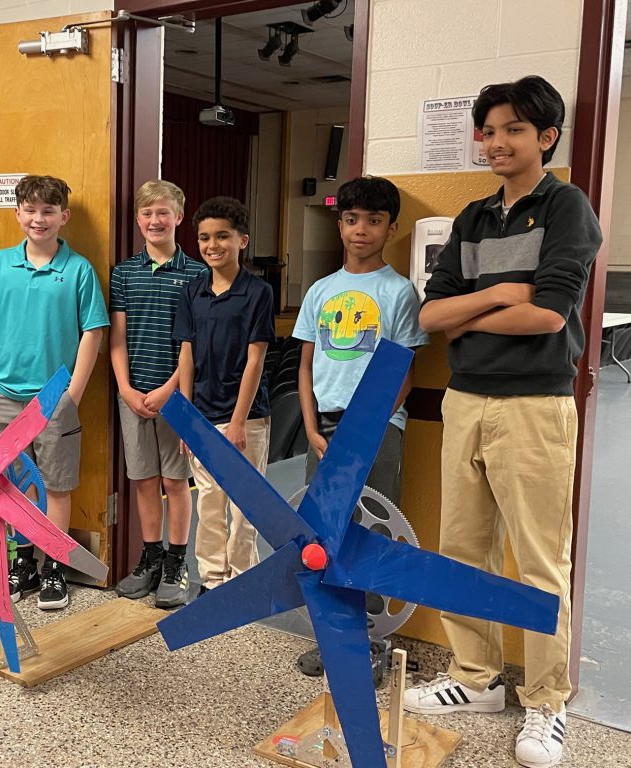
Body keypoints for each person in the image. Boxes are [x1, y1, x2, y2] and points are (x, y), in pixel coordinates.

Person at [402, 76, 602, 768]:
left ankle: (547, 701)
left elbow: (548, 312)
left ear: (545, 137)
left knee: (539, 561)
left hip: (533, 406)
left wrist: (478, 304)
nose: (496, 142)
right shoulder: (474, 218)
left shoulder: (567, 207)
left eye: (513, 129)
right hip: (467, 400)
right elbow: (430, 314)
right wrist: (503, 293)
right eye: (488, 130)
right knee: (462, 547)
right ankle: (474, 677)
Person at [292, 175, 429, 676]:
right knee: (325, 534)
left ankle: (370, 643)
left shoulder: (398, 293)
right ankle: (333, 634)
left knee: (371, 533)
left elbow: (405, 371)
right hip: (323, 430)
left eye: (374, 221)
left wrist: (368, 427)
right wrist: (309, 428)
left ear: (391, 228)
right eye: (352, 220)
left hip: (377, 429)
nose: (361, 230)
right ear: (340, 224)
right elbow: (305, 366)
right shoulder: (321, 291)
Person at [0, 175, 109, 611]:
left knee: (56, 483)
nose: (39, 218)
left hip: (54, 398)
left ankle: (54, 566)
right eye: (30, 210)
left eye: (48, 211)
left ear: (63, 217)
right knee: (14, 484)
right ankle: (23, 562)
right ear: (17, 215)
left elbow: (93, 332)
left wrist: (72, 392)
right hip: (2, 393)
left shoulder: (79, 271)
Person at [110, 180, 207, 609]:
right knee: (143, 479)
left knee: (174, 479)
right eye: (147, 213)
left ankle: (176, 561)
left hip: (175, 395)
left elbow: (195, 345)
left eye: (163, 213)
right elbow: (117, 338)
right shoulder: (123, 272)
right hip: (132, 394)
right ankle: (149, 557)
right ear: (138, 219)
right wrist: (126, 388)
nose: (155, 221)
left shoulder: (197, 273)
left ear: (179, 217)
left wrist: (169, 391)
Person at [173, 196, 275, 594]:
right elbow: (186, 355)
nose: (212, 245)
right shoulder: (192, 292)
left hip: (245, 417)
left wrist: (236, 422)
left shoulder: (258, 292)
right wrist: (186, 420)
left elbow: (256, 361)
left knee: (244, 504)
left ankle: (243, 581)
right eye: (204, 238)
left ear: (242, 240)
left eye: (222, 237)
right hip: (201, 414)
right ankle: (213, 580)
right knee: (209, 502)